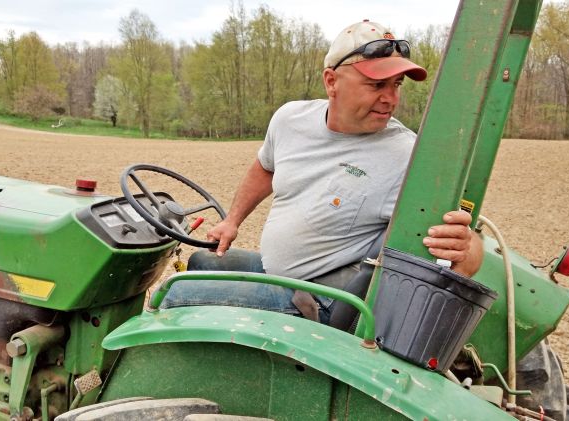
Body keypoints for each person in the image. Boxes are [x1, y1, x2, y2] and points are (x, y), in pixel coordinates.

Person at [162, 19, 483, 325]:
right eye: (376, 84)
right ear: (331, 81)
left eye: (396, 85)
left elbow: (468, 247)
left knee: (175, 295)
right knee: (198, 265)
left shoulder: (408, 158)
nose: (391, 99)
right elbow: (265, 167)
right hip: (277, 274)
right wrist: (231, 221)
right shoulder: (290, 120)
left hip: (318, 302)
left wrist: (465, 247)